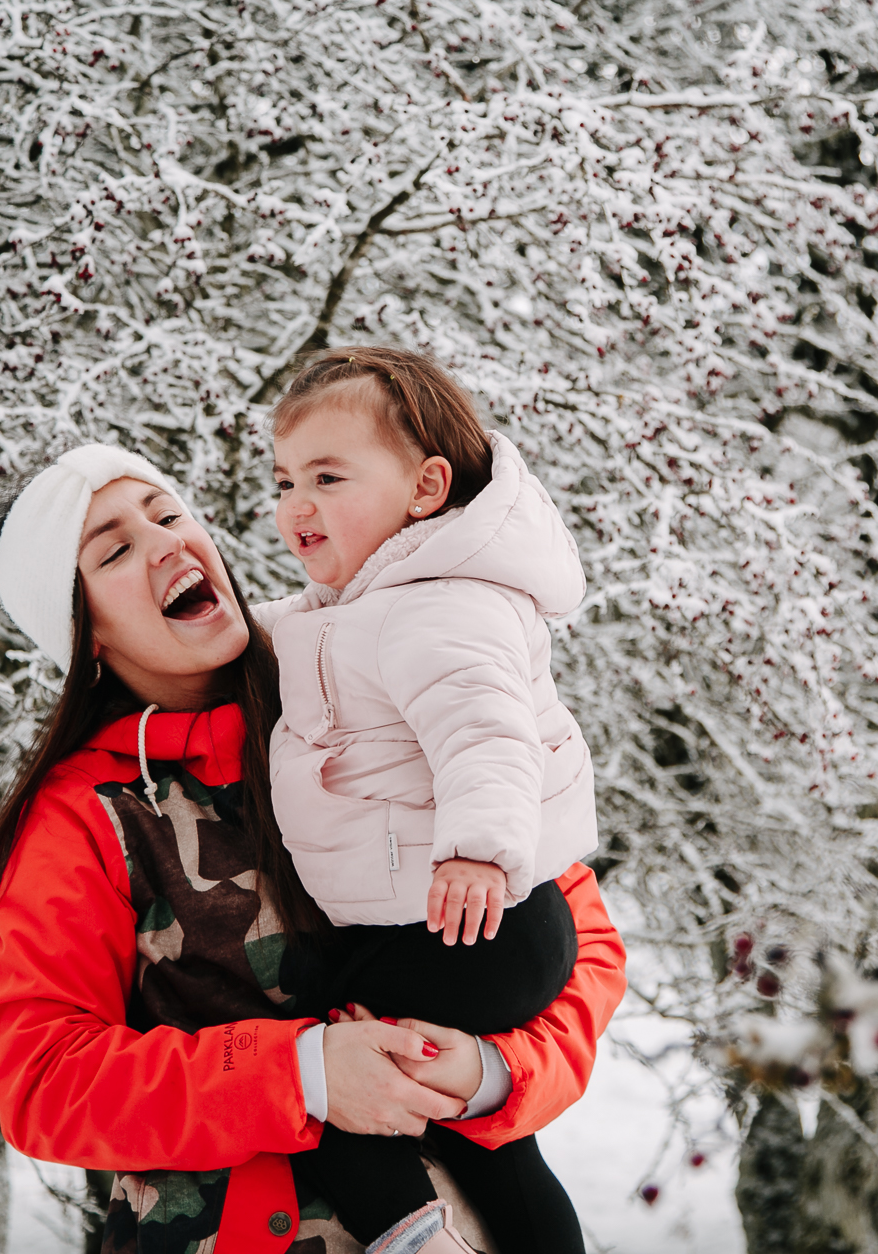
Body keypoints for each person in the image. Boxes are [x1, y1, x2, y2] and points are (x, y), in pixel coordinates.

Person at [0, 443, 626, 1254]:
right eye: (115, 548)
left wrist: (490, 1073)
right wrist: (303, 1072)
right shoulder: (86, 816)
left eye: (168, 514)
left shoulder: (361, 672)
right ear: (84, 635)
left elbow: (577, 934)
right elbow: (45, 1082)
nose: (166, 541)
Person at [256, 347, 598, 1254]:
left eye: (330, 476)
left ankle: (411, 1235)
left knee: (322, 1060)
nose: (299, 504)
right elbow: (294, 639)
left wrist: (480, 846)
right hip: (472, 927)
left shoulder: (439, 605)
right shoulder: (368, 604)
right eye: (286, 478)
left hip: (472, 923)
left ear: (425, 487)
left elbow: (487, 733)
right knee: (476, 1131)